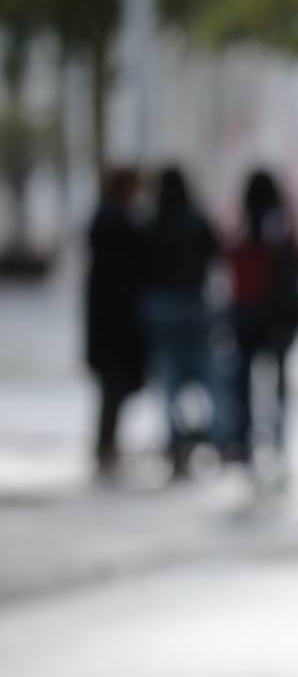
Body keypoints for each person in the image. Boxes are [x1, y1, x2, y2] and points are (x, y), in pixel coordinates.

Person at [223, 169, 298, 473]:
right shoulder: (282, 223)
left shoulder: (242, 224)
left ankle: (245, 441)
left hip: (247, 312)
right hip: (278, 316)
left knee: (243, 379)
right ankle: (279, 439)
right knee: (280, 380)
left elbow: (230, 258)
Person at [142, 165, 222, 478]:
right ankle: (215, 437)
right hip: (194, 303)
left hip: (162, 307)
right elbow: (214, 252)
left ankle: (176, 440)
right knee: (206, 374)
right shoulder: (196, 220)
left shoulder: (153, 222)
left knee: (171, 378)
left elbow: (142, 265)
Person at [84, 167, 148, 478]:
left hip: (108, 319)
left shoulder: (108, 220)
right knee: (113, 386)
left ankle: (107, 443)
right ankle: (106, 445)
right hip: (115, 321)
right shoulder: (117, 223)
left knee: (112, 387)